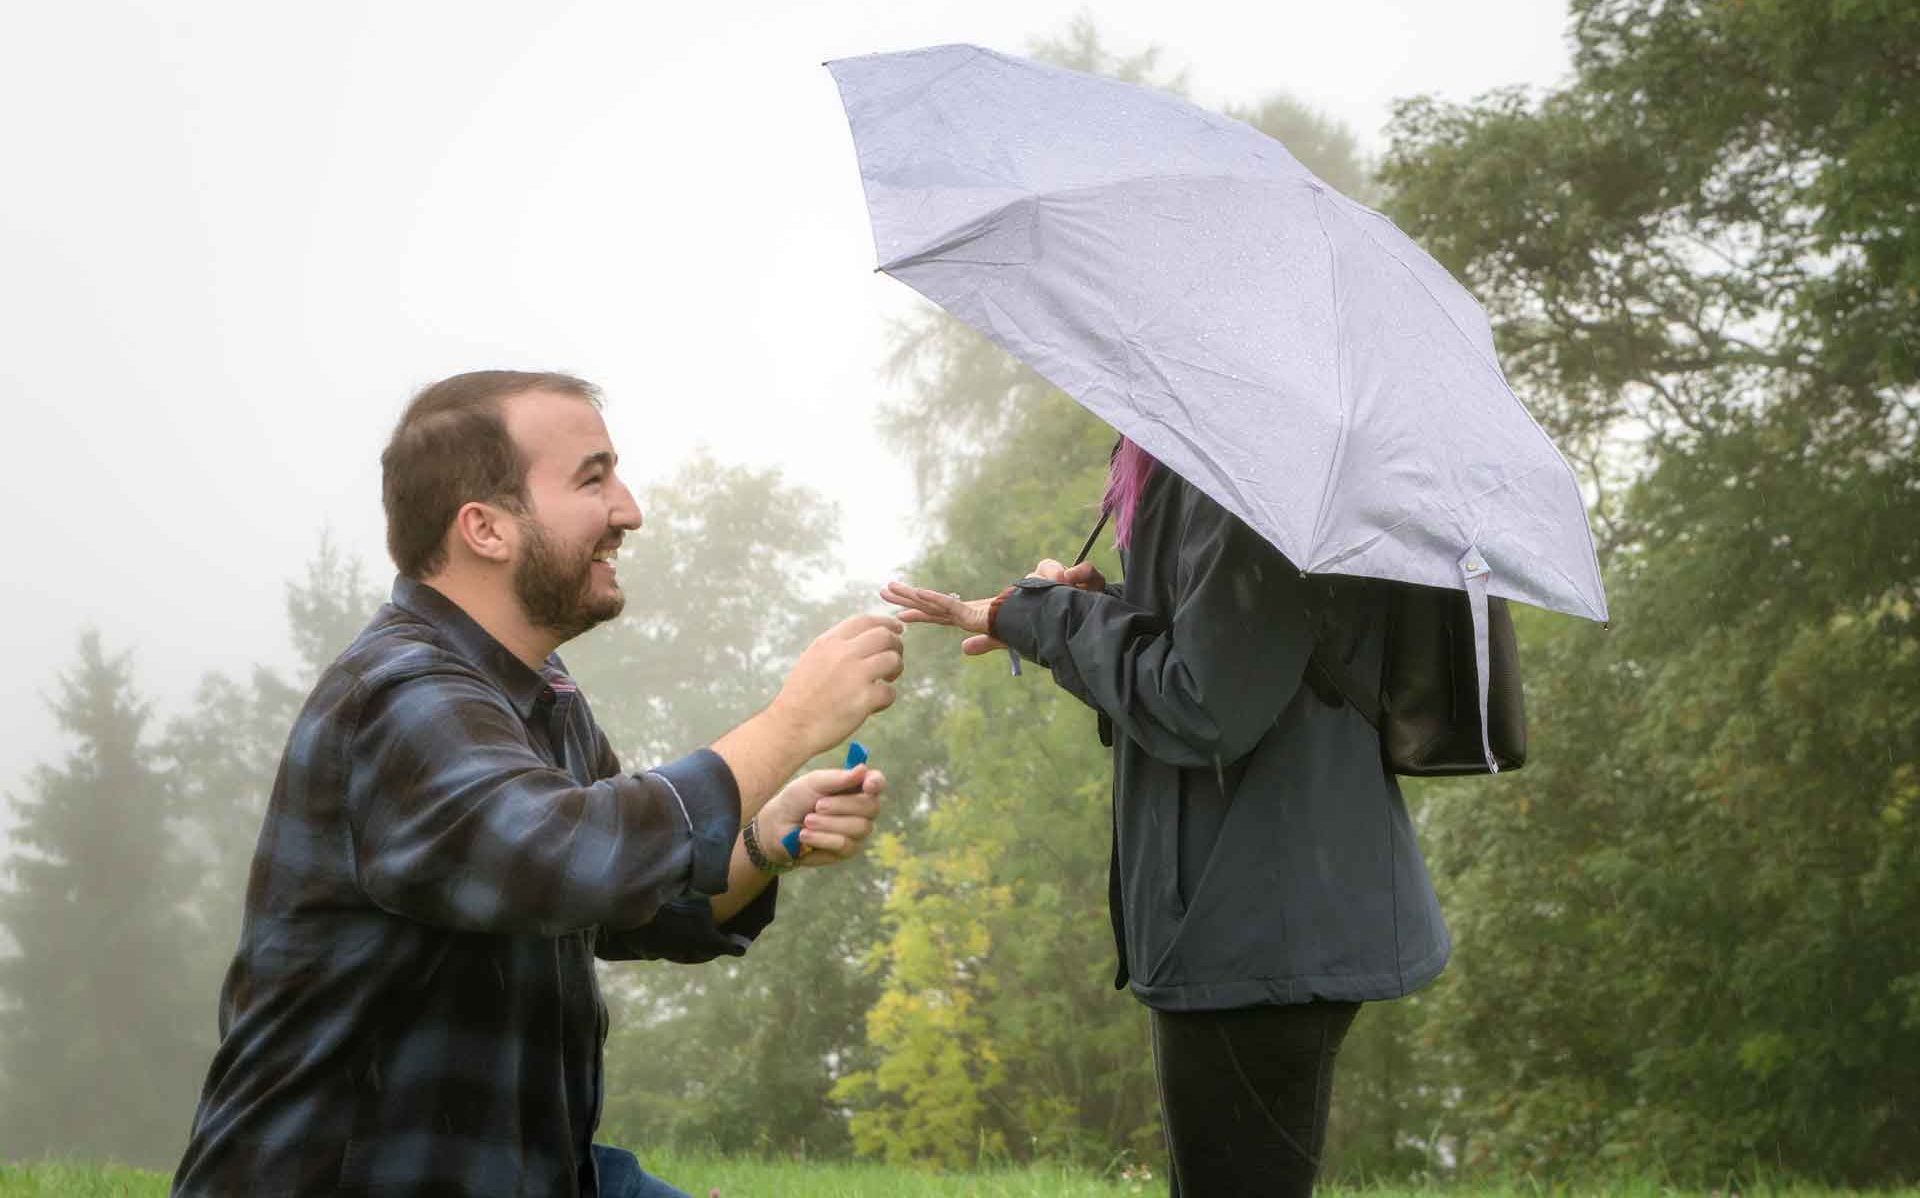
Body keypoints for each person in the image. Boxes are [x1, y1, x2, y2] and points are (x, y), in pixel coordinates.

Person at [172, 370, 903, 1198]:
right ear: (484, 528)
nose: (629, 510)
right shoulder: (401, 698)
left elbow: (628, 899)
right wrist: (790, 723)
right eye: (592, 478)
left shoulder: (536, 692)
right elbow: (572, 859)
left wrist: (764, 842)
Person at [882, 437, 1448, 1197]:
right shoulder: (1221, 469)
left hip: (1259, 923)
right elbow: (1217, 640)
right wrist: (1078, 611)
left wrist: (1055, 621)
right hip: (1242, 914)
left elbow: (1203, 704)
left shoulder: (1248, 477)